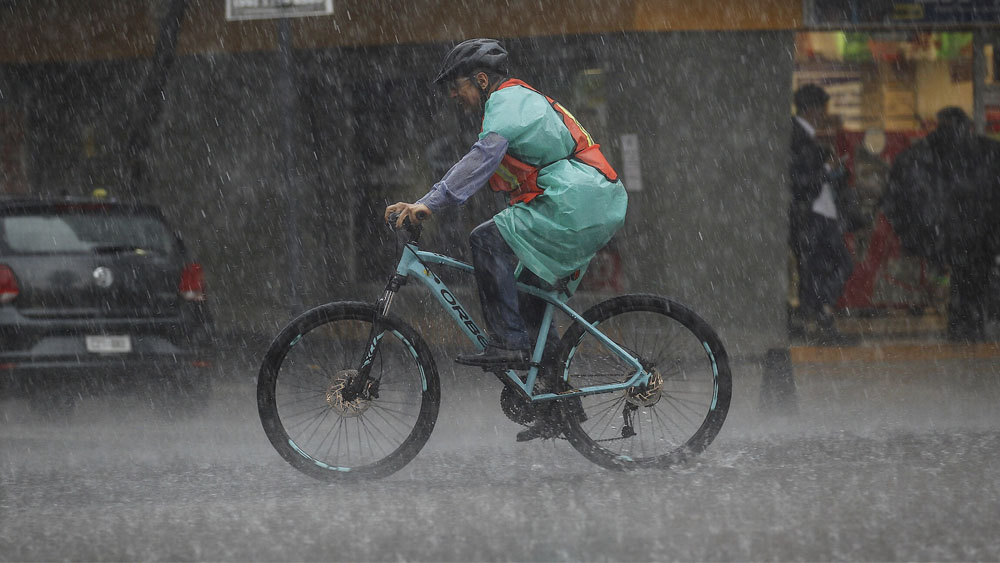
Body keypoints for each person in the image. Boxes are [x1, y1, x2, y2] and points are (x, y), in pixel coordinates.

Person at [384, 39, 628, 440]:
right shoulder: (513, 103)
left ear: (481, 80)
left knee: (486, 240)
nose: (452, 95)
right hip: (583, 200)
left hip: (578, 200)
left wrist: (429, 203)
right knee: (530, 297)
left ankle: (508, 345)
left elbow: (482, 159)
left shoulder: (508, 101)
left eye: (456, 85)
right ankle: (558, 405)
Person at [883, 107, 1000, 342]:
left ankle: (962, 326)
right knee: (973, 281)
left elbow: (897, 192)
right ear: (966, 124)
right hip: (979, 231)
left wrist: (914, 229)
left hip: (946, 230)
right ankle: (970, 326)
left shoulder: (921, 153)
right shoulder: (988, 151)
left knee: (960, 278)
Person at [788, 84, 855, 343]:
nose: (824, 114)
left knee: (816, 269)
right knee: (834, 264)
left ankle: (818, 316)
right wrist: (827, 169)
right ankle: (820, 315)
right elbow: (801, 181)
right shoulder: (799, 138)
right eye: (822, 108)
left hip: (819, 215)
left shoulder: (804, 137)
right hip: (814, 216)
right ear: (811, 109)